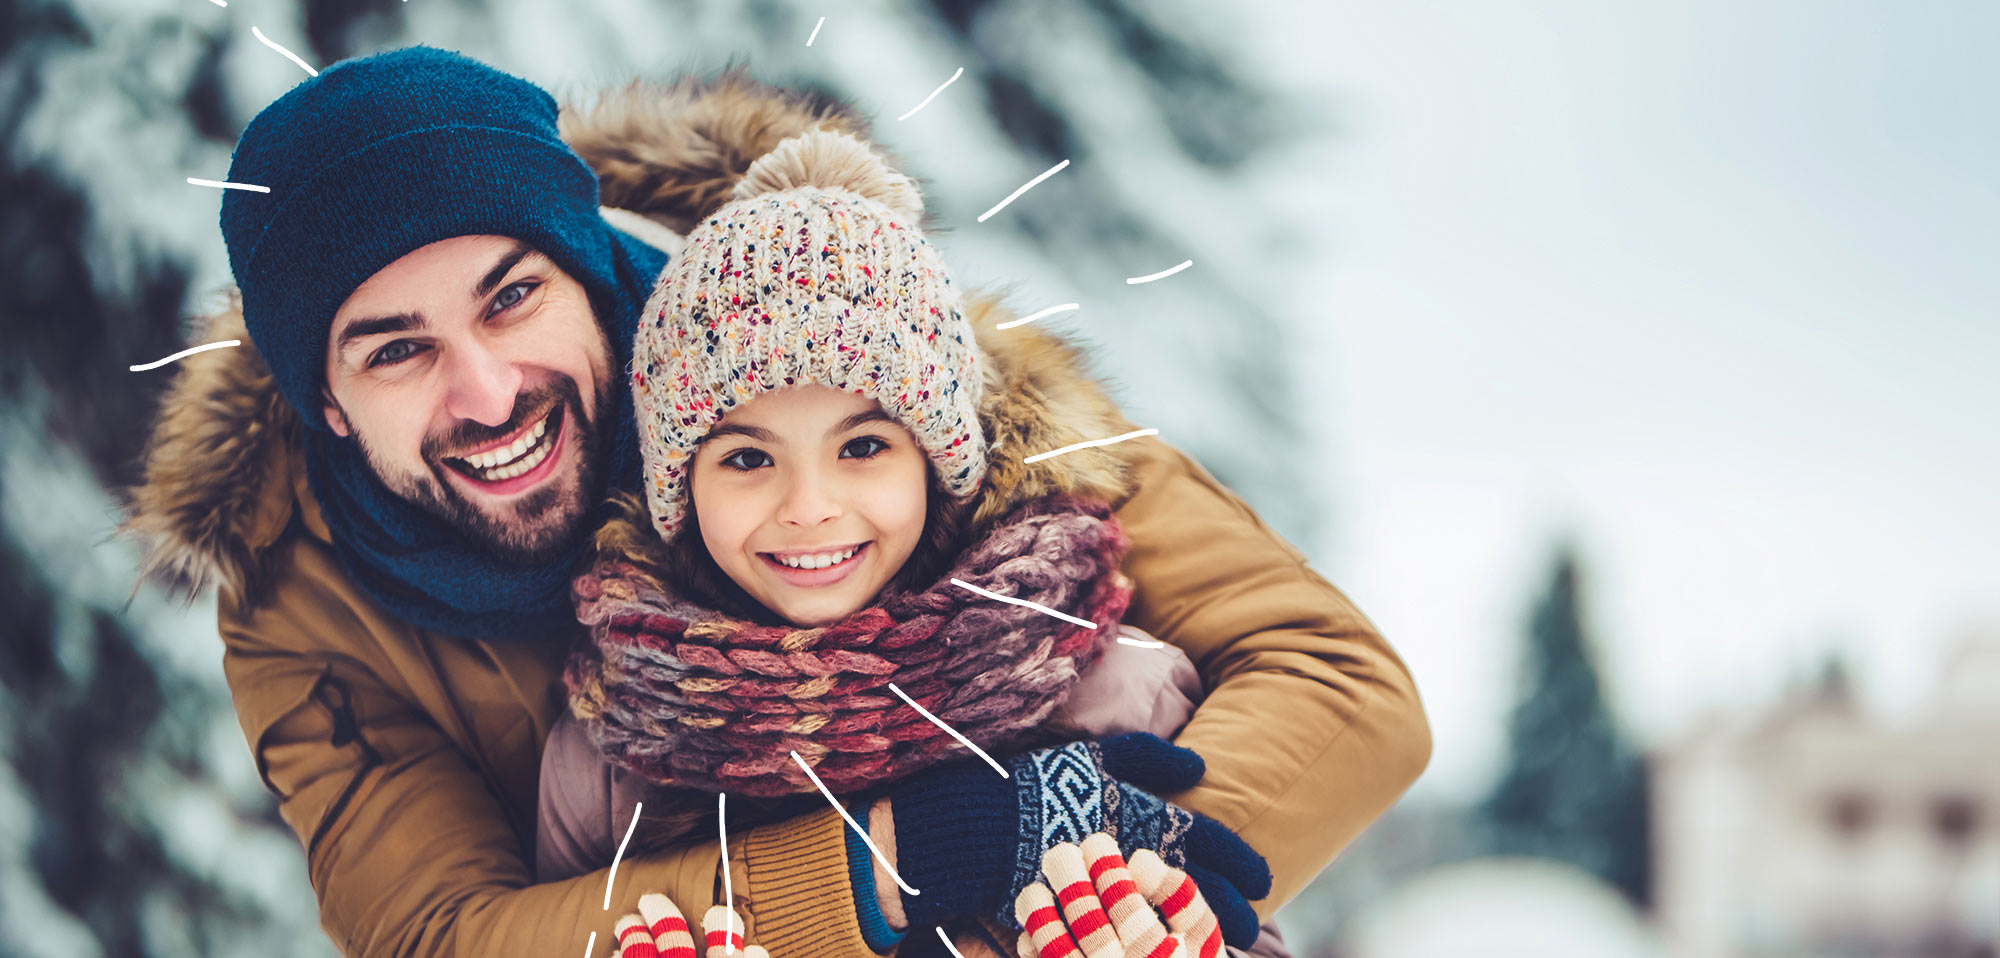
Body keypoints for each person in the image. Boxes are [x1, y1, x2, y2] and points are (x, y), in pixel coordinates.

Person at [123, 45, 1432, 958]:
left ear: (588, 274)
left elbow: (1340, 686)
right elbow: (442, 935)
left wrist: (1107, 869)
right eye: (394, 348)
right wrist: (888, 866)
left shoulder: (853, 362)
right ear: (329, 403)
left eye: (512, 295)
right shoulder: (306, 606)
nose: (484, 389)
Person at [539, 128, 1268, 955]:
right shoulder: (608, 767)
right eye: (746, 457)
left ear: (937, 461)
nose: (809, 507)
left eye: (862, 447)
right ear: (679, 489)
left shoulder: (1105, 695)